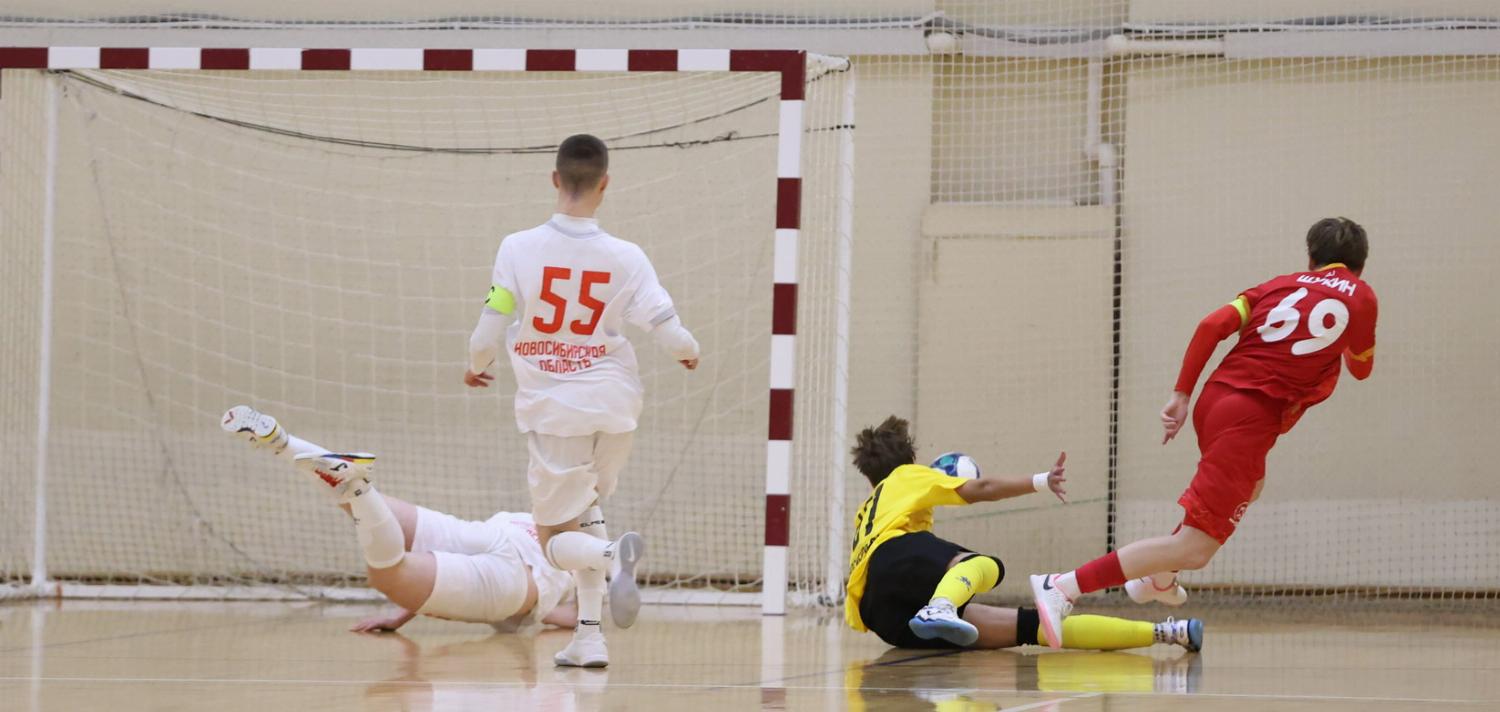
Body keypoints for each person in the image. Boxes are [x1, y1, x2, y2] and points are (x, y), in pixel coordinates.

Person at [1031, 217, 1378, 647]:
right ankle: (1063, 586)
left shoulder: (1277, 286)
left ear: (1311, 258)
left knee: (1252, 485)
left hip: (1216, 400)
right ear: (1360, 265)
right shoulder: (1362, 296)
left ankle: (1159, 577)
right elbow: (1361, 368)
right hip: (1250, 416)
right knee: (1196, 548)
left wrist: (1181, 395)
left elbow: (1211, 326)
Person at [464, 134, 701, 667]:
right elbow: (667, 325)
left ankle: (612, 557)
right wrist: (688, 352)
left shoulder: (517, 247)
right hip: (617, 408)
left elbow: (492, 319)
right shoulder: (627, 256)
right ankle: (589, 637)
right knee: (586, 509)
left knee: (553, 539)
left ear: (555, 179)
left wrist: (478, 363)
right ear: (605, 184)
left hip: (557, 414)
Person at [845, 416, 1203, 652]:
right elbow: (982, 488)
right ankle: (940, 606)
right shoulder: (907, 475)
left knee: (1036, 627)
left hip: (880, 615)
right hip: (895, 561)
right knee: (984, 565)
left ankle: (1166, 633)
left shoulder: (868, 510)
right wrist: (1041, 481)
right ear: (909, 460)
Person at [221, 405, 576, 633]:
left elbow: (443, 571)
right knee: (387, 572)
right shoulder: (579, 572)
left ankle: (283, 443)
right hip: (515, 584)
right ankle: (358, 487)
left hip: (491, 535)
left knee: (375, 511)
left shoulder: (533, 519)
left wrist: (399, 616)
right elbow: (567, 618)